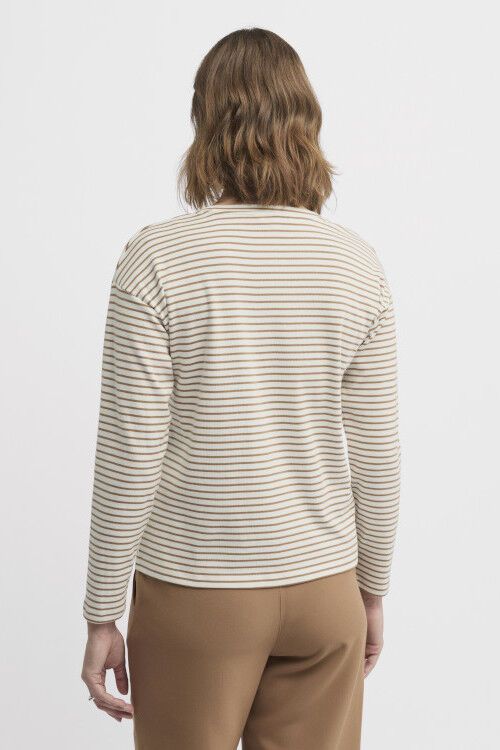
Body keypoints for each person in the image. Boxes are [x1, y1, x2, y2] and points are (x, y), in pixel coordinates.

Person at [81, 27, 400, 750]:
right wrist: (371, 590)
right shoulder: (358, 264)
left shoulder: (157, 260)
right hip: (326, 589)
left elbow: (131, 452)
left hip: (198, 591)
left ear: (204, 122)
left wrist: (102, 612)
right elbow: (377, 453)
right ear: (306, 123)